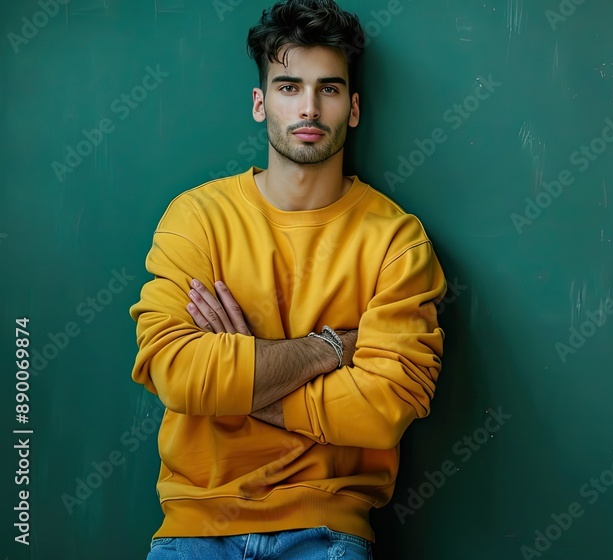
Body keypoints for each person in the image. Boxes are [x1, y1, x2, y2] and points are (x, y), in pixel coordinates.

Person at [128, 1, 447, 558]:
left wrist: (239, 372)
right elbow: (176, 373)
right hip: (194, 528)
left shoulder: (397, 240)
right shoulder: (195, 218)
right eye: (288, 86)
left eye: (328, 89)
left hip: (326, 529)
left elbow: (383, 409)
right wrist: (330, 348)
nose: (309, 107)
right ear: (260, 103)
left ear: (352, 108)